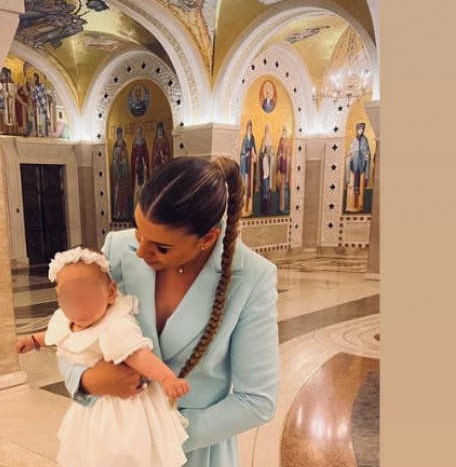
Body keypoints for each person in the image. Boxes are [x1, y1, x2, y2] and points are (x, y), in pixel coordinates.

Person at [22, 156, 279, 467]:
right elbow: (74, 333)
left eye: (161, 247)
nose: (142, 251)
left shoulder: (252, 276)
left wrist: (159, 438)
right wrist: (88, 381)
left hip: (194, 452)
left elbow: (257, 401)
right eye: (138, 230)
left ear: (207, 239)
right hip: (111, 446)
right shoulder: (118, 249)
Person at [18, 246, 189, 467]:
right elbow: (58, 335)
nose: (78, 303)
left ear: (110, 292)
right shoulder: (66, 320)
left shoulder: (115, 326)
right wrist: (34, 341)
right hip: (93, 405)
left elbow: (139, 356)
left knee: (124, 453)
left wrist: (167, 378)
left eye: (86, 294)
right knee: (90, 450)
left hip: (124, 408)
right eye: (69, 296)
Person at [345, 121, 371, 212]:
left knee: (361, 185)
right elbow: (351, 150)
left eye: (362, 129)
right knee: (351, 186)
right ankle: (350, 206)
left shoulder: (365, 140)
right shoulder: (354, 140)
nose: (360, 131)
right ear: (356, 130)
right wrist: (351, 155)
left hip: (362, 165)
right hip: (353, 165)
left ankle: (360, 206)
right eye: (359, 129)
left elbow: (367, 151)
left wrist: (366, 155)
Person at [111, 126, 132, 220]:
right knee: (117, 192)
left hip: (123, 174)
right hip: (117, 175)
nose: (119, 135)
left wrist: (124, 162)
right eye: (118, 134)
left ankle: (125, 213)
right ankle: (117, 213)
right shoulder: (115, 146)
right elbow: (114, 159)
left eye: (120, 134)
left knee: (124, 193)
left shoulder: (124, 145)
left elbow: (126, 159)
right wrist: (116, 162)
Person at [239, 120, 257, 216]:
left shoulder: (252, 137)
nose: (249, 128)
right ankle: (243, 209)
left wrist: (254, 156)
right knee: (245, 187)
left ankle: (249, 209)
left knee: (250, 187)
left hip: (251, 167)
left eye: (250, 127)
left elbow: (254, 150)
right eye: (248, 127)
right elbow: (242, 153)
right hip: (245, 166)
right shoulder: (245, 138)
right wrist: (245, 155)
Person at [131, 126, 150, 209]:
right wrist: (135, 160)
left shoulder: (143, 142)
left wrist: (144, 162)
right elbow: (133, 157)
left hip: (143, 167)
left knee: (143, 185)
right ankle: (136, 205)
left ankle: (144, 205)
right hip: (137, 170)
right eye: (137, 132)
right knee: (137, 187)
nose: (139, 133)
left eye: (140, 132)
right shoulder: (135, 143)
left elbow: (146, 156)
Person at [258, 123, 275, 215]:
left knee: (269, 189)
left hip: (270, 171)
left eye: (268, 128)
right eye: (265, 128)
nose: (266, 130)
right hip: (265, 173)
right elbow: (261, 154)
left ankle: (269, 208)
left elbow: (273, 154)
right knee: (264, 189)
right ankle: (264, 208)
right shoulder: (263, 140)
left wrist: (270, 156)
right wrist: (264, 156)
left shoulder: (271, 140)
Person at [276, 124, 292, 214]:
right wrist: (281, 155)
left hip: (287, 169)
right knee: (281, 188)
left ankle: (286, 207)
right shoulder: (281, 140)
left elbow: (290, 154)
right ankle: (281, 208)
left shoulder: (288, 140)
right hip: (282, 167)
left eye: (285, 129)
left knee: (286, 188)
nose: (284, 131)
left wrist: (287, 156)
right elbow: (278, 153)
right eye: (283, 129)